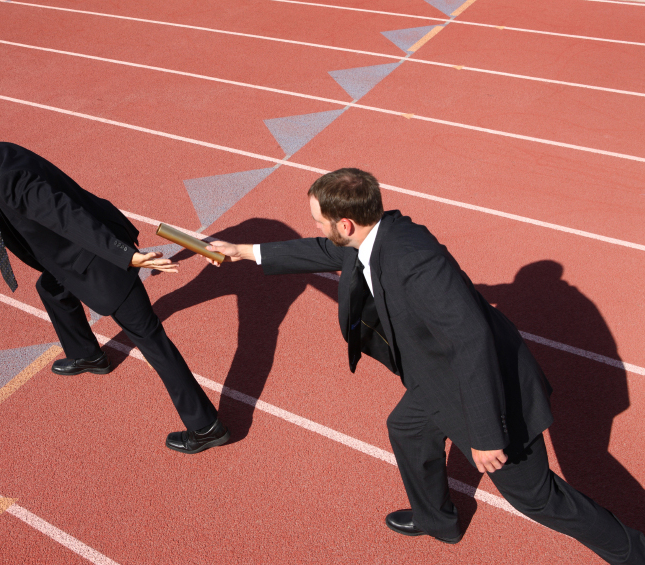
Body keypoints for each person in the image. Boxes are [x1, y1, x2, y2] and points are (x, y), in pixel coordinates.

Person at [205, 168, 645, 563]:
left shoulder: (414, 259)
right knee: (409, 430)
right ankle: (437, 520)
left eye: (319, 218)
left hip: (491, 391)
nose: (316, 226)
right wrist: (242, 251)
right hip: (435, 377)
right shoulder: (375, 235)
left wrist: (488, 436)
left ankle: (633, 552)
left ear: (346, 222)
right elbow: (326, 251)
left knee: (538, 497)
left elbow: (473, 343)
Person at [0, 133, 228, 454]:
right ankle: (88, 355)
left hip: (100, 258)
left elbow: (65, 214)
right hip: (66, 258)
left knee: (151, 339)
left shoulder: (10, 179)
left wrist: (123, 255)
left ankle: (206, 426)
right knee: (51, 288)